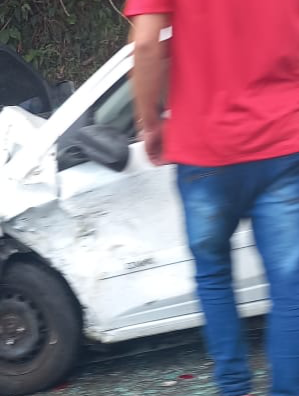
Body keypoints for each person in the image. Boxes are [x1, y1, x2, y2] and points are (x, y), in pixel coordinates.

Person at [125, 1, 299, 395]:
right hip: (285, 142)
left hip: (205, 148)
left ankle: (234, 387)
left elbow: (147, 42)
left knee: (214, 276)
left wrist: (149, 123)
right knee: (291, 288)